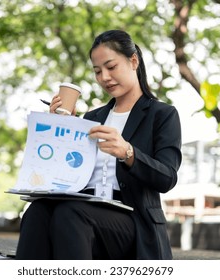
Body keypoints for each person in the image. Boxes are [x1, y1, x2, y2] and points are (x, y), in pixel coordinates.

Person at [15, 30, 182, 260]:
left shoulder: (162, 115)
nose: (104, 77)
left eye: (111, 67)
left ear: (133, 61)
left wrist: (128, 152)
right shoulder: (92, 118)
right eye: (97, 71)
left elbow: (167, 177)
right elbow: (68, 172)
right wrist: (61, 129)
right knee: (36, 212)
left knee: (70, 213)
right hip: (83, 210)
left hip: (133, 221)